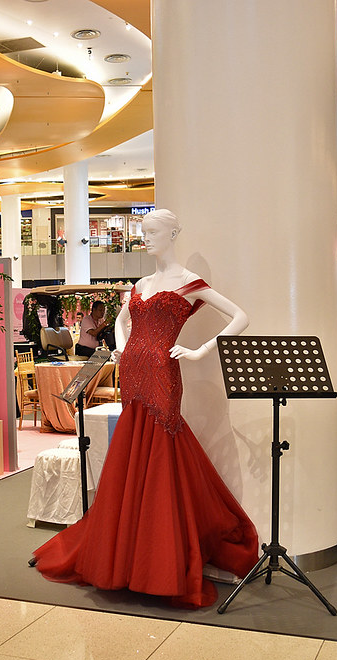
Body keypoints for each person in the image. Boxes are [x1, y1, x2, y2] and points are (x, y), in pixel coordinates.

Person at [32, 209, 259, 609]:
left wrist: (201, 350)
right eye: (144, 232)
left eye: (153, 231)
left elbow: (240, 316)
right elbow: (122, 323)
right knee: (133, 450)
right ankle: (127, 554)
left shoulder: (189, 282)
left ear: (173, 234)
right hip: (134, 372)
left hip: (163, 372)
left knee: (160, 453)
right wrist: (122, 348)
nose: (146, 238)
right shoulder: (141, 284)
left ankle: (157, 562)